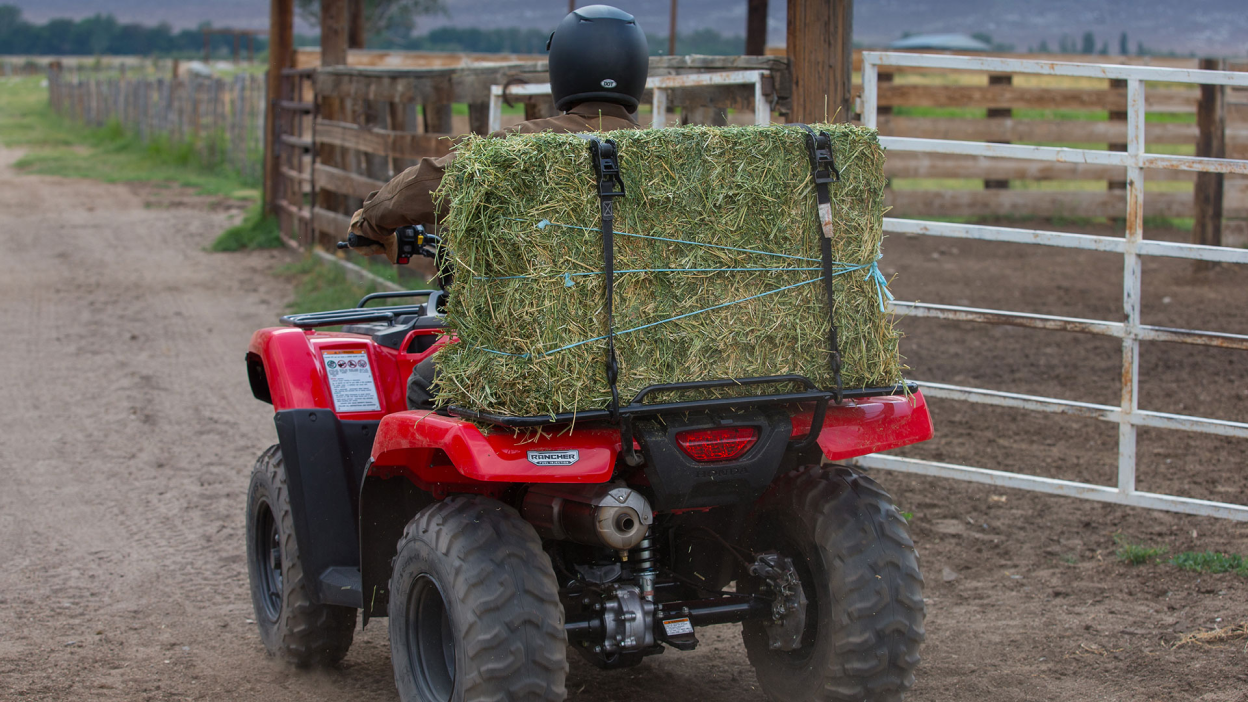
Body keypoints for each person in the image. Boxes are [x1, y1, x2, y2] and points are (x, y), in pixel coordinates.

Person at [347, 4, 649, 262]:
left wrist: (370, 223)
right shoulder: (671, 154)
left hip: (530, 326)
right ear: (637, 67)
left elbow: (425, 186)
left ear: (562, 64)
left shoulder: (522, 144)